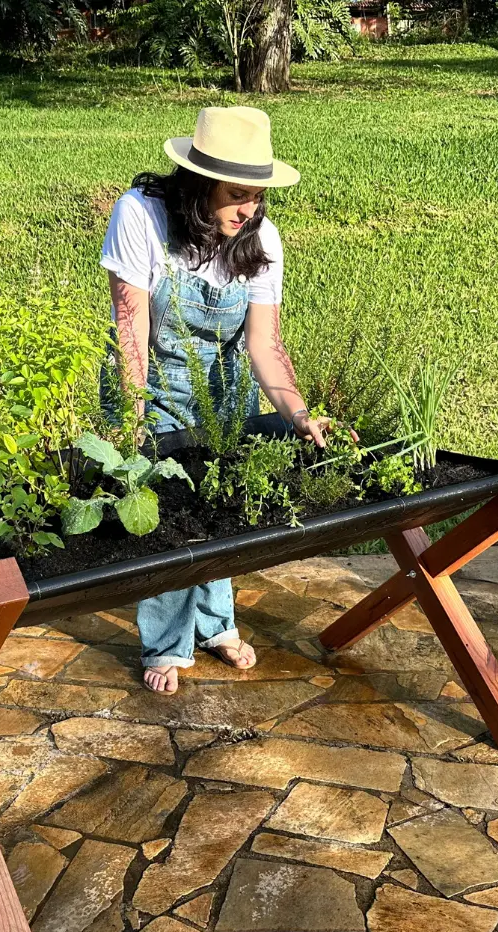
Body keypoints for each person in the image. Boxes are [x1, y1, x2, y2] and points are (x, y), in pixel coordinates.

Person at [100, 105, 330, 695]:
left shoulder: (261, 237)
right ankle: (166, 643)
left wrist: (298, 413)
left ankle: (214, 623)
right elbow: (131, 330)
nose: (247, 209)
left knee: (223, 505)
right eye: (234, 195)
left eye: (256, 196)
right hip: (151, 381)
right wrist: (132, 420)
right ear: (198, 184)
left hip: (224, 388)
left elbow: (264, 343)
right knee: (167, 513)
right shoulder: (142, 216)